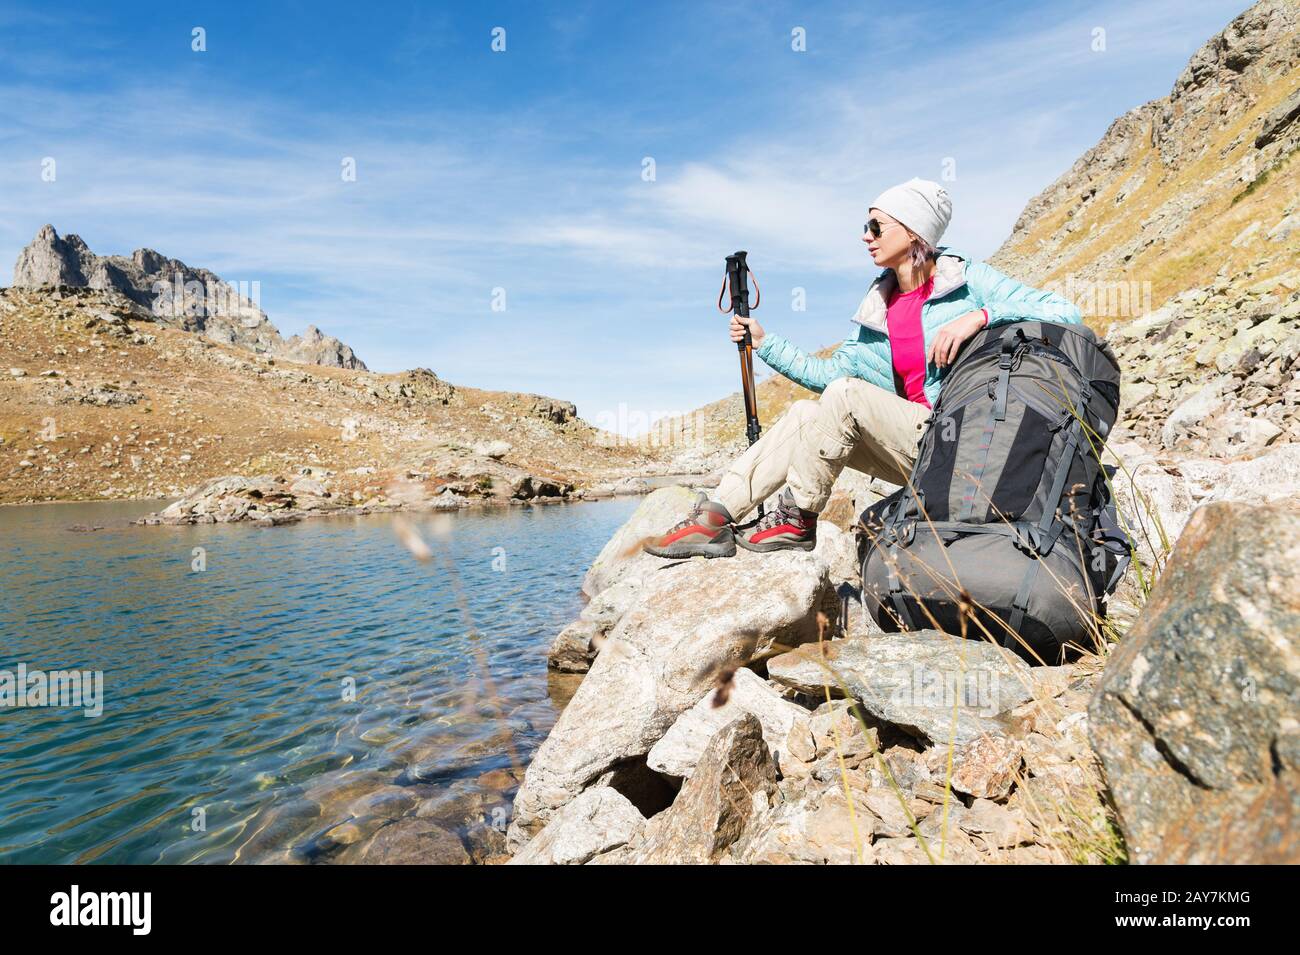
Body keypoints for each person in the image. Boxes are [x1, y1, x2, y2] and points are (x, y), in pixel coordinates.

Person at [644, 176, 1083, 558]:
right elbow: (832, 379)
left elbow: (1064, 311)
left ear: (914, 232)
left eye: (876, 226)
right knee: (804, 413)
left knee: (846, 397)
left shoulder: (968, 281)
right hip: (915, 449)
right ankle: (715, 517)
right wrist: (764, 343)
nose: (865, 235)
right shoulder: (879, 303)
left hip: (962, 444)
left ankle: (798, 518)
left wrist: (979, 317)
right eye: (865, 226)